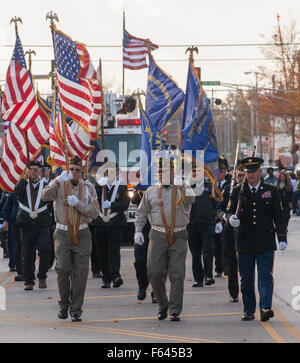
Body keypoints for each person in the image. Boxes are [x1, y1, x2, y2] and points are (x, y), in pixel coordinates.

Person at [135, 158, 195, 322]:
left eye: (166, 171)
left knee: (177, 274)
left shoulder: (182, 188)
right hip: (158, 235)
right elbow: (141, 212)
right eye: (160, 172)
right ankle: (163, 305)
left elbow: (191, 200)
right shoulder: (151, 191)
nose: (163, 174)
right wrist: (138, 230)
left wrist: (183, 185)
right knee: (154, 273)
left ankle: (174, 310)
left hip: (179, 235)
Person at [228, 157, 287, 322]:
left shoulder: (270, 190)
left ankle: (265, 308)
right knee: (246, 280)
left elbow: (279, 216)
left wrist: (282, 237)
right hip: (244, 242)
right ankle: (248, 310)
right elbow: (229, 211)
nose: (250, 175)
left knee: (265, 277)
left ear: (260, 172)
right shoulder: (238, 191)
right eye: (248, 172)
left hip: (265, 241)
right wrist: (230, 219)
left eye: (253, 172)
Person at [41, 155, 100, 322]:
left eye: (77, 170)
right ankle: (64, 304)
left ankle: (76, 310)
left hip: (82, 233)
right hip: (62, 233)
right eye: (71, 169)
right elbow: (44, 196)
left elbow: (95, 213)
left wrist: (78, 204)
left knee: (80, 273)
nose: (74, 172)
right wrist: (57, 180)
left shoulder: (88, 187)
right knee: (62, 269)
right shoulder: (59, 185)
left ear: (82, 172)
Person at [14, 161, 52, 291]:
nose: (34, 173)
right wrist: (24, 179)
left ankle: (42, 276)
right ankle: (29, 280)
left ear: (40, 172)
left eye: (36, 170)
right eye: (31, 170)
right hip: (26, 224)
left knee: (45, 248)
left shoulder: (46, 185)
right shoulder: (23, 184)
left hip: (42, 223)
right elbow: (16, 192)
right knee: (27, 253)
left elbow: (51, 201)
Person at [92, 162, 130, 288]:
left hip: (116, 223)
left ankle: (115, 276)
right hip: (100, 223)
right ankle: (106, 278)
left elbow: (125, 204)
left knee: (114, 251)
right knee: (101, 251)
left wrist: (112, 205)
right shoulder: (97, 186)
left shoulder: (122, 186)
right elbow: (91, 201)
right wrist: (98, 186)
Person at [218, 165, 245, 303]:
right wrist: (226, 217)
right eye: (239, 175)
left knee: (245, 266)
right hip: (230, 231)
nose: (242, 178)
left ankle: (246, 291)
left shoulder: (252, 190)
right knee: (231, 263)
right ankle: (233, 292)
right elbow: (219, 208)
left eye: (244, 175)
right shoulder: (229, 189)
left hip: (246, 233)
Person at [187, 163, 216, 288]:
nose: (196, 174)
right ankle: (198, 279)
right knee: (195, 253)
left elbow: (215, 204)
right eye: (194, 171)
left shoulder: (210, 186)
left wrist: (217, 219)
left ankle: (208, 275)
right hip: (192, 224)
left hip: (207, 223)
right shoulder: (186, 188)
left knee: (208, 250)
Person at [131, 188, 156, 303]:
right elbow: (134, 199)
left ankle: (156, 291)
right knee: (140, 259)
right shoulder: (142, 187)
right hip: (143, 227)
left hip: (158, 227)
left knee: (159, 262)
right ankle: (142, 285)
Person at [214, 156, 230, 278]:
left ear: (225, 172)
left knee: (225, 244)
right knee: (215, 246)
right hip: (212, 219)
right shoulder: (211, 185)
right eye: (217, 171)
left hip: (224, 218)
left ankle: (225, 266)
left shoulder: (229, 186)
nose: (218, 174)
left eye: (221, 171)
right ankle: (218, 267)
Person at [2, 193, 23, 280]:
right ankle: (13, 264)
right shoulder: (13, 192)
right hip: (14, 221)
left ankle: (26, 266)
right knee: (13, 243)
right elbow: (7, 207)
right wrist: (5, 220)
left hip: (28, 220)